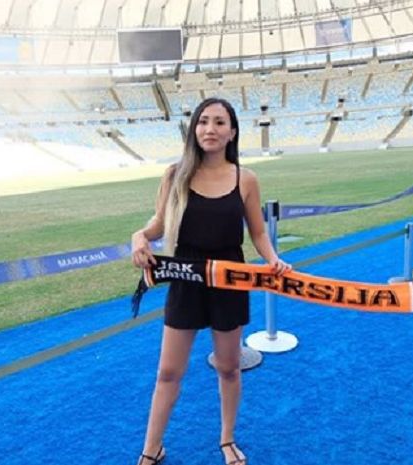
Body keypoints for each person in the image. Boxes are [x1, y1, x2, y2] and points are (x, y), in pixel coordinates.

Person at [131, 97, 291, 465]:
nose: (210, 129)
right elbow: (157, 225)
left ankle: (227, 440)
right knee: (168, 372)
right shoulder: (175, 174)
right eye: (203, 121)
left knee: (229, 366)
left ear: (232, 131)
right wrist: (139, 238)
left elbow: (258, 233)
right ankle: (151, 449)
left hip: (230, 279)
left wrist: (273, 260)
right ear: (194, 129)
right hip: (186, 278)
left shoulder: (246, 178)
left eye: (220, 122)